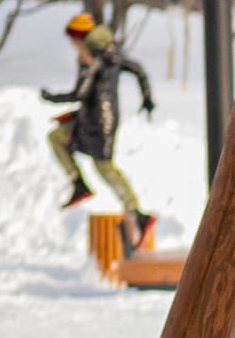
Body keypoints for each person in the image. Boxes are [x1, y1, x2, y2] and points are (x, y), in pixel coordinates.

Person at [42, 13, 156, 248]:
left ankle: (134, 211)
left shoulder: (92, 57)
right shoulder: (110, 52)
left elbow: (81, 93)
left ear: (79, 38)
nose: (72, 46)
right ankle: (86, 188)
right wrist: (147, 98)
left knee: (100, 164)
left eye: (73, 40)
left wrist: (51, 97)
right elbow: (138, 69)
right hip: (104, 118)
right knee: (67, 142)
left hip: (95, 122)